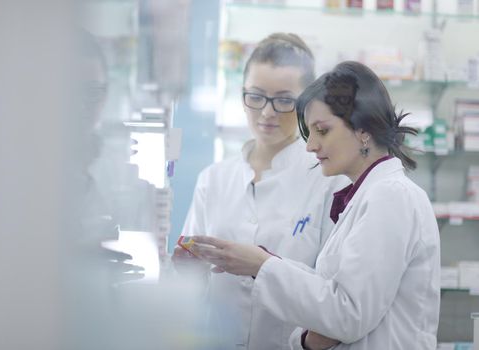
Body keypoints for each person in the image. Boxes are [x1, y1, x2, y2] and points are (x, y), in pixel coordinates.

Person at [191, 61, 441, 350]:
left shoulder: (391, 196)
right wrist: (262, 263)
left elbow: (348, 314)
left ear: (362, 130)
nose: (310, 146)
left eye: (322, 131)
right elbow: (332, 292)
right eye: (309, 133)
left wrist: (263, 266)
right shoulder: (367, 195)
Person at [173, 33, 348, 349]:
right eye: (255, 96)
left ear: (307, 104)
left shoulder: (329, 181)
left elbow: (335, 294)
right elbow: (189, 282)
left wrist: (264, 266)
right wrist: (187, 270)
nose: (267, 113)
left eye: (284, 100)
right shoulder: (213, 179)